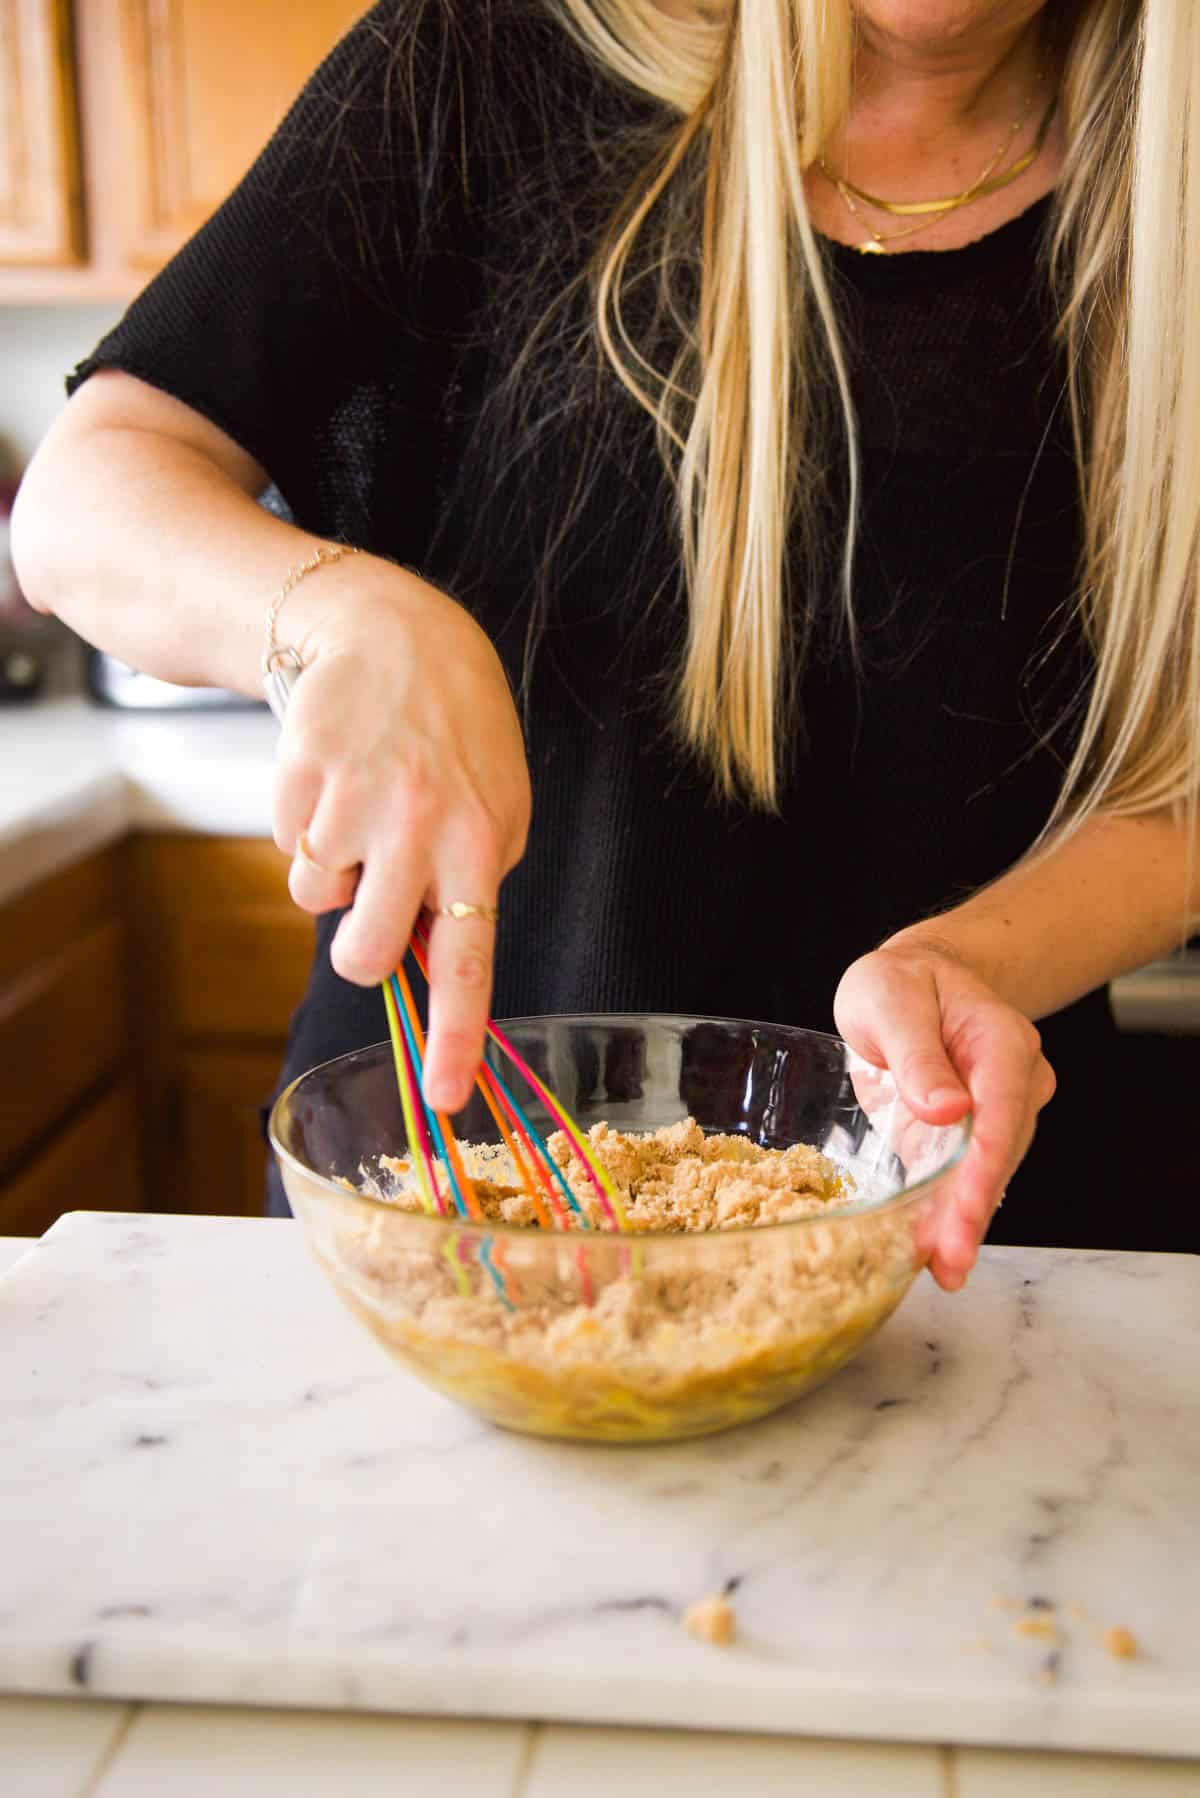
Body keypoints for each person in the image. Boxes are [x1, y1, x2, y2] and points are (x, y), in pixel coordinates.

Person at [13, 0, 1199, 1280]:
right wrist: (345, 613)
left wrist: (972, 961)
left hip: (969, 1244)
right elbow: (87, 503)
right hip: (440, 1213)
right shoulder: (485, 56)